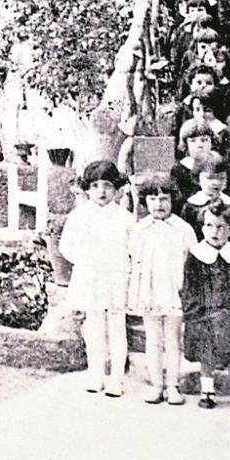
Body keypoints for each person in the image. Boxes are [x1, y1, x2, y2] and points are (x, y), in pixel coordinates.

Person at [59, 161, 134, 397]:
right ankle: (96, 373)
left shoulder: (125, 218)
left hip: (116, 277)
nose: (101, 191)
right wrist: (84, 260)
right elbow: (66, 246)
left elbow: (133, 249)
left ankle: (117, 378)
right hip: (91, 276)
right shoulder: (79, 216)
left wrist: (126, 269)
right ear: (87, 189)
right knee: (93, 326)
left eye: (108, 185)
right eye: (95, 185)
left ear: (117, 188)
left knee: (117, 326)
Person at [127, 173, 197, 405]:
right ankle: (156, 384)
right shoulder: (139, 230)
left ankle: (173, 385)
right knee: (153, 340)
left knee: (173, 339)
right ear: (145, 202)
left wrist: (187, 291)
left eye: (164, 198)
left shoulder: (183, 229)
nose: (159, 204)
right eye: (153, 199)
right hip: (149, 291)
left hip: (175, 291)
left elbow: (193, 262)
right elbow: (134, 260)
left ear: (172, 200)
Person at [181, 203, 230, 413]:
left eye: (221, 227)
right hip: (205, 316)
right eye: (209, 226)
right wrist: (193, 314)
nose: (215, 231)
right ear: (202, 228)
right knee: (206, 356)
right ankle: (207, 392)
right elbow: (190, 288)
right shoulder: (196, 256)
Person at [179, 152, 230, 253]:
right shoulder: (191, 207)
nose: (216, 182)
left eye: (221, 178)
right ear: (197, 178)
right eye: (210, 178)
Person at [172, 119, 216, 214]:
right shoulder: (179, 169)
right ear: (185, 144)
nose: (200, 145)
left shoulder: (217, 164)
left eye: (204, 140)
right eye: (193, 141)